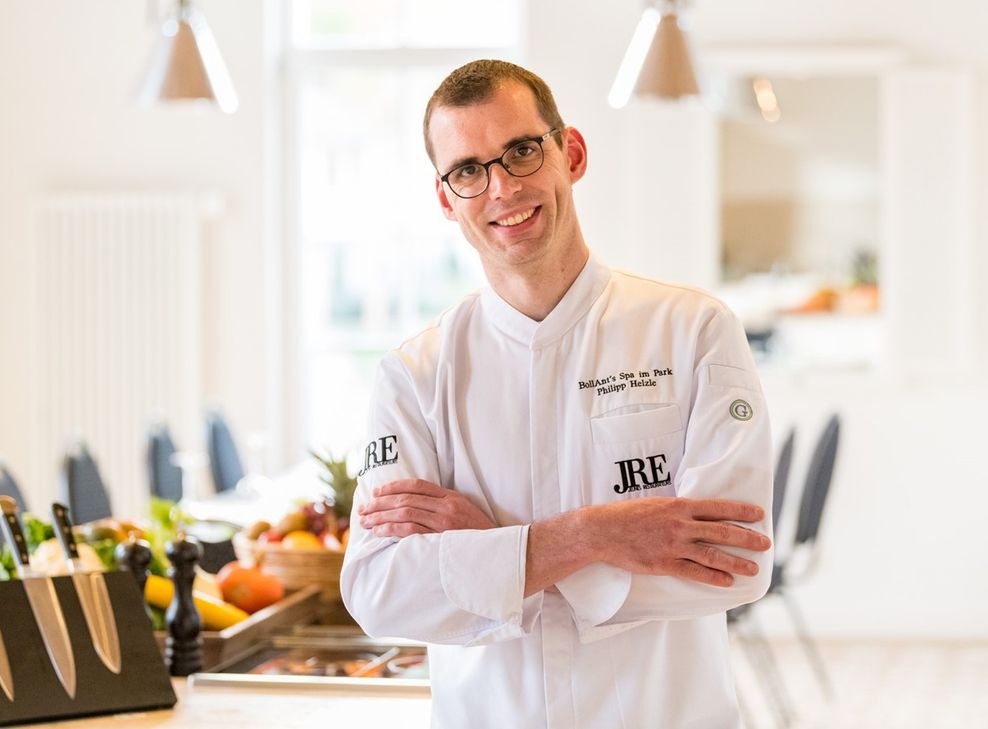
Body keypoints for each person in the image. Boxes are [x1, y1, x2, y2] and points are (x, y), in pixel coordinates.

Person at [340, 59, 773, 728]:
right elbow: (379, 590)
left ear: (570, 154)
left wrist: (495, 556)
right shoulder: (415, 375)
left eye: (521, 151)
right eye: (468, 170)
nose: (502, 188)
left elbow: (737, 561)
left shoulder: (694, 331)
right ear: (446, 199)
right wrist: (593, 536)